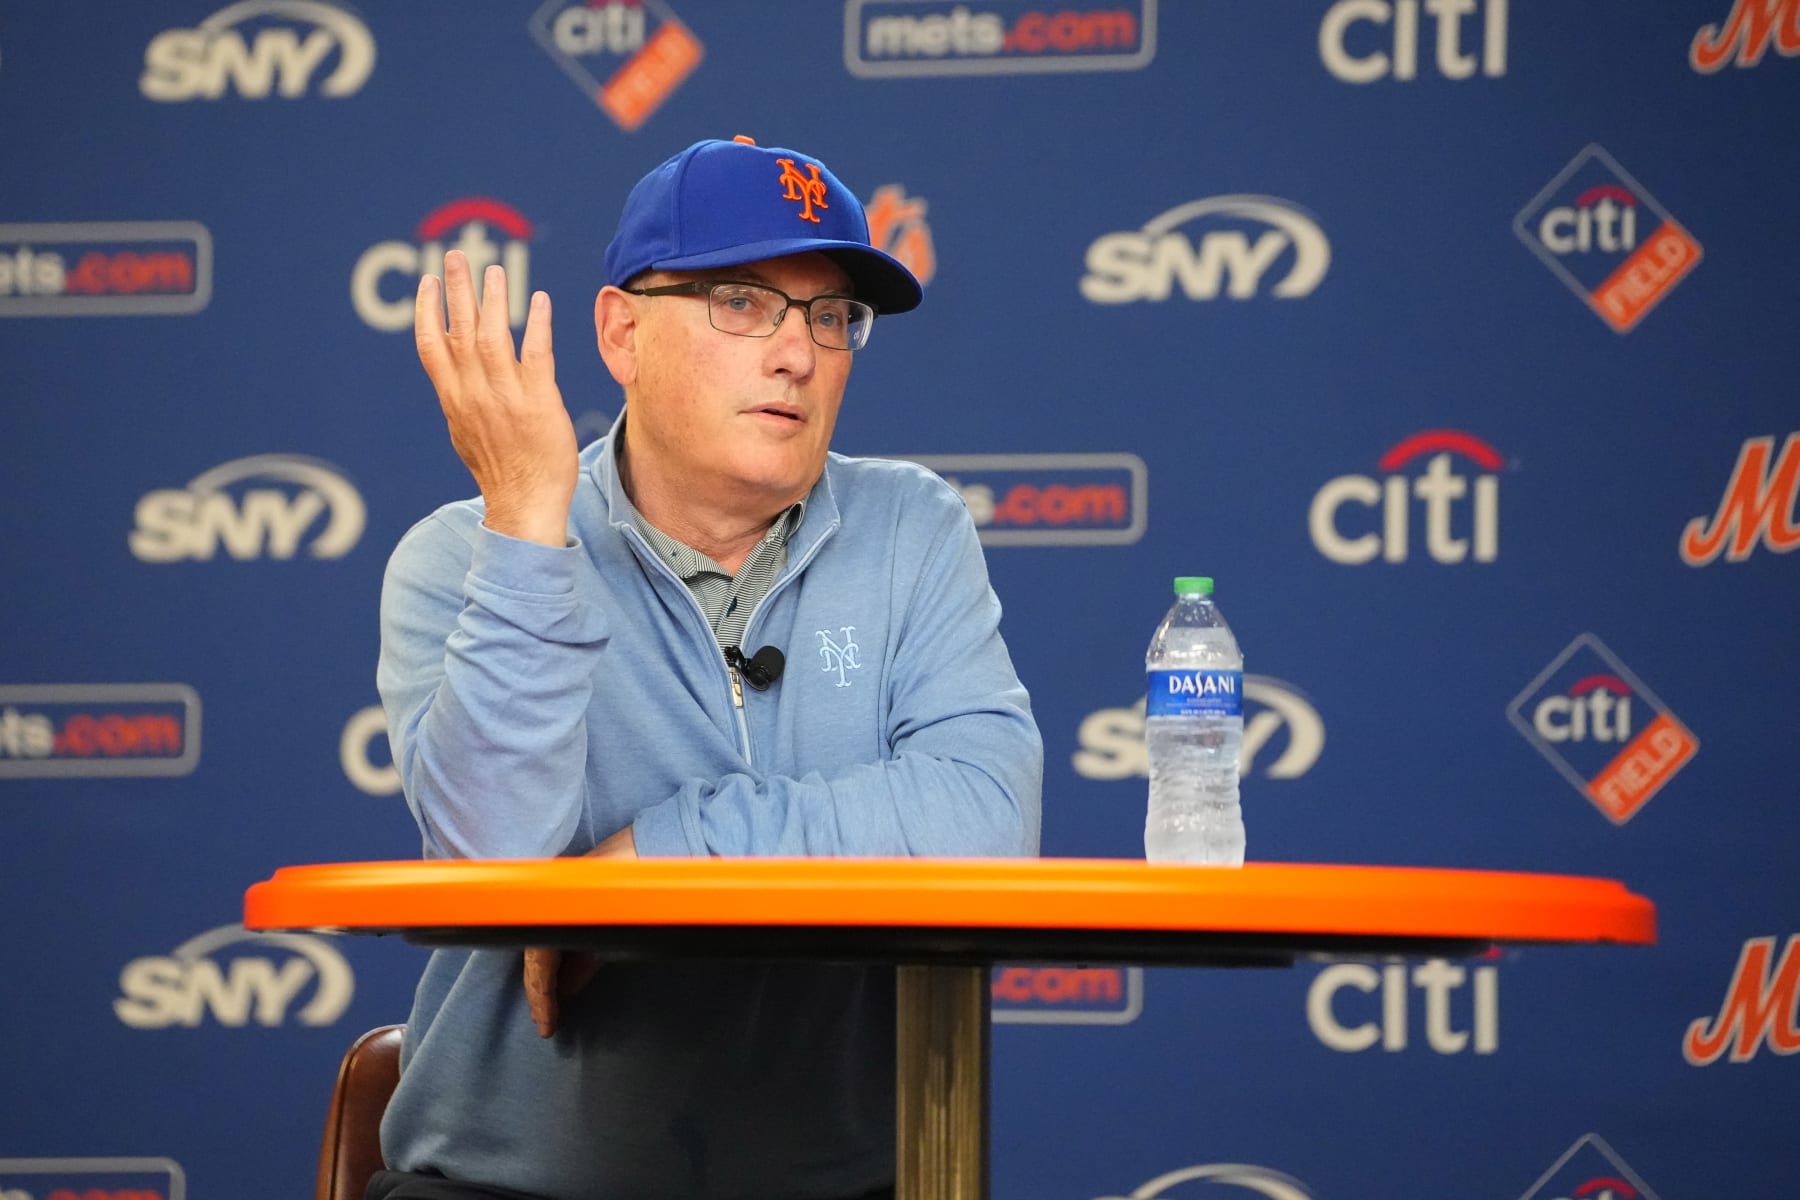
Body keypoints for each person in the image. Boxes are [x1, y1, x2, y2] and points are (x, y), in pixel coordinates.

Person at [371, 135, 1044, 1200]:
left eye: (831, 316)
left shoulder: (911, 529)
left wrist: (654, 856)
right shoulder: (466, 554)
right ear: (622, 333)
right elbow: (496, 877)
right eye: (743, 302)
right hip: (511, 1190)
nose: (798, 354)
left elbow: (986, 823)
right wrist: (529, 527)